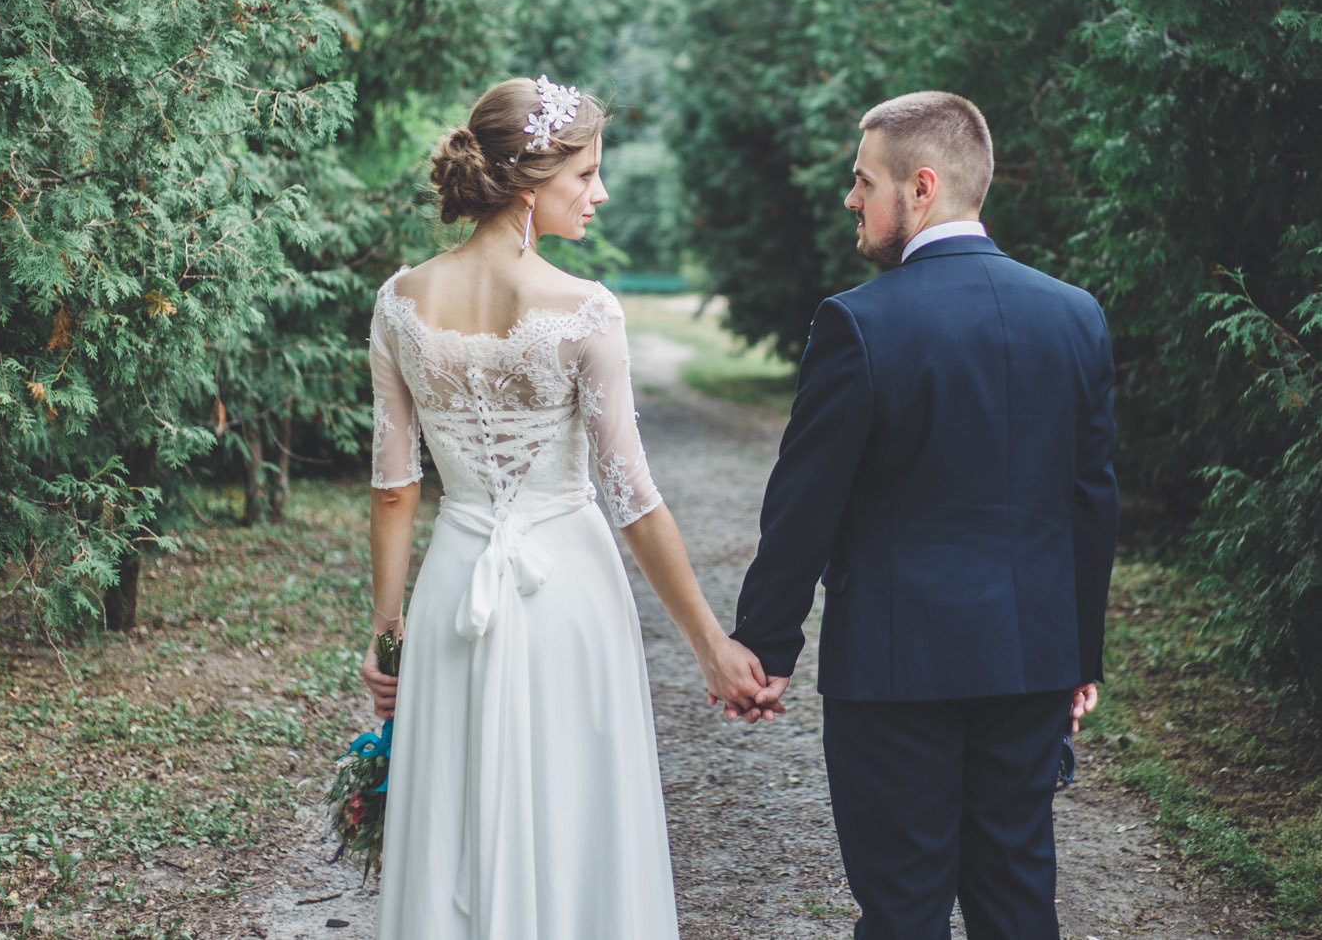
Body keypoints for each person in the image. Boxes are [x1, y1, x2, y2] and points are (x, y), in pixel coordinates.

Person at [359, 75, 768, 939]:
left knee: (454, 819)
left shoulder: (399, 302)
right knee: (578, 811)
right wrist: (711, 646)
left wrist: (390, 636)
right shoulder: (587, 311)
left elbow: (395, 487)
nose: (600, 192)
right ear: (526, 179)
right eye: (586, 174)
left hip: (452, 587)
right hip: (569, 592)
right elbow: (634, 500)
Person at [729, 90, 1120, 940]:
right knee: (1018, 899)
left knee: (904, 907)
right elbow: (1092, 500)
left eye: (863, 180)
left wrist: (763, 646)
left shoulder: (859, 323)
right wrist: (1079, 654)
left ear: (922, 186)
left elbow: (805, 503)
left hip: (895, 670)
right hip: (1030, 662)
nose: (851, 199)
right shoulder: (1074, 315)